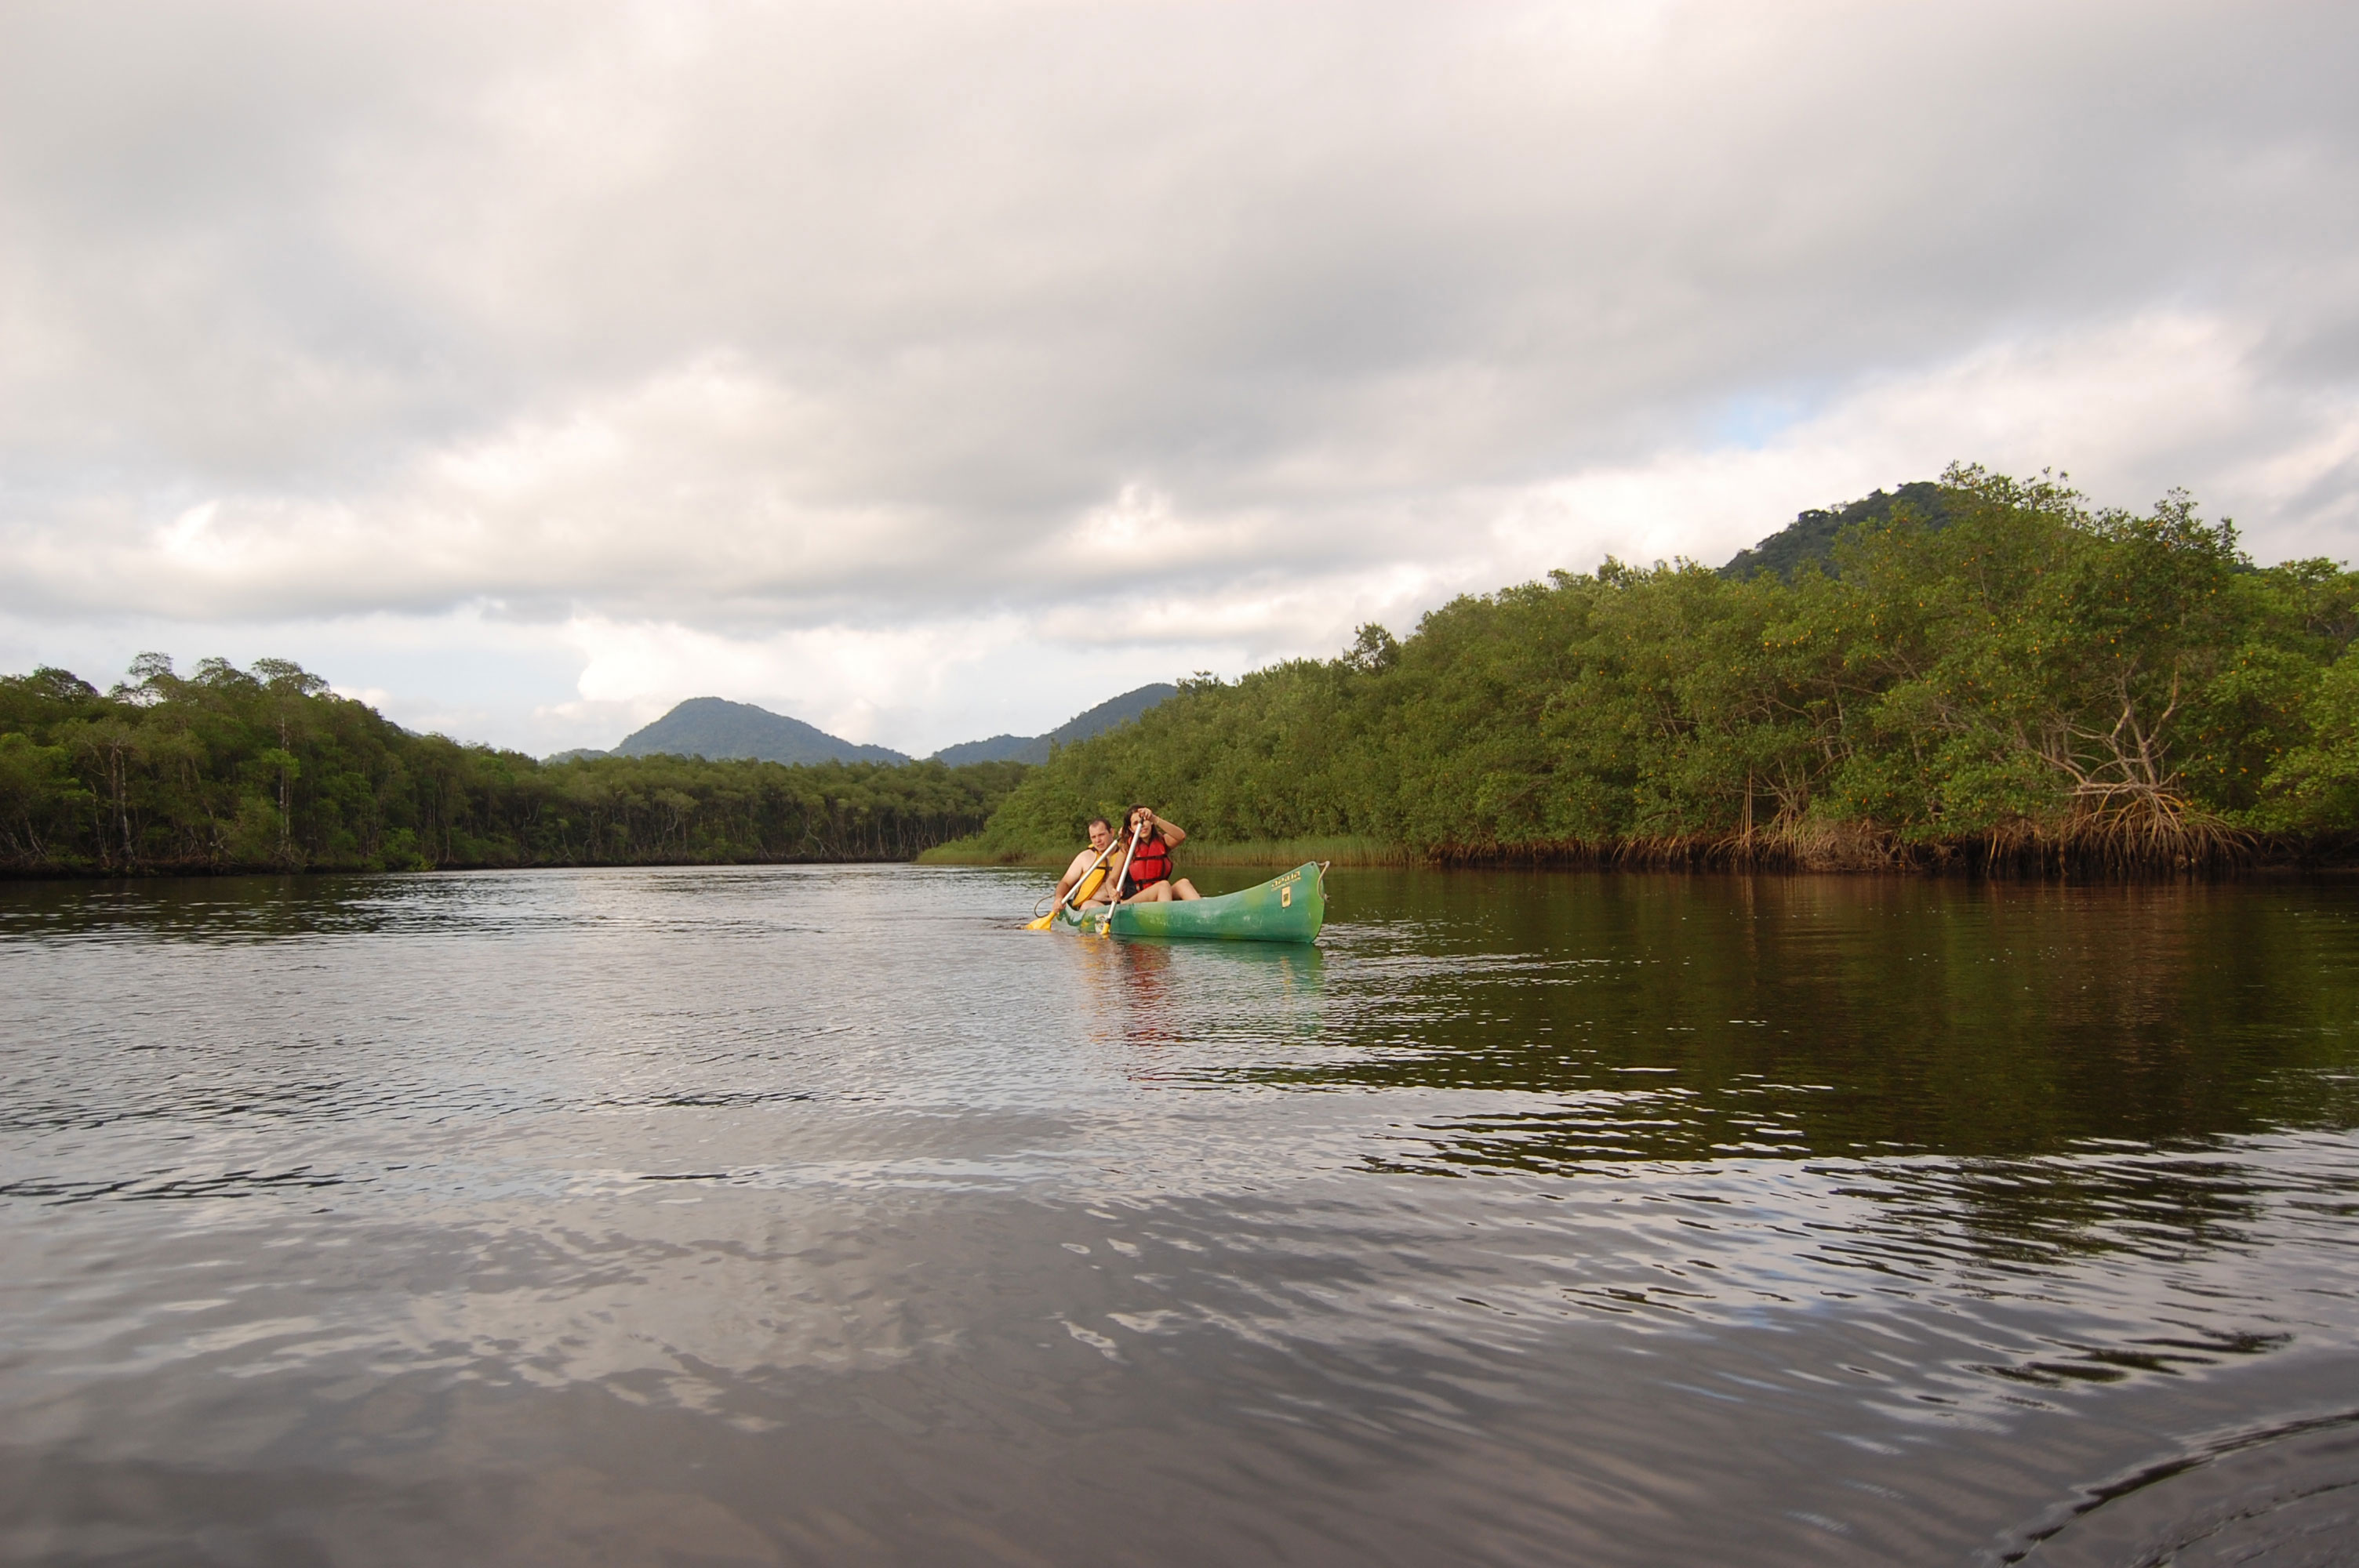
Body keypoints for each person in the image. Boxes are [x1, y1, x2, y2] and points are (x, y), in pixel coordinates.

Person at [1117, 805, 1201, 902]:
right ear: (1131, 829)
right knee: (1164, 885)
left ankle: (1204, 914)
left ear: (1151, 822)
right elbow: (1112, 880)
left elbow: (1181, 836)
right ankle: (1165, 917)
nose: (1142, 825)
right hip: (1135, 898)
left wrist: (1154, 818)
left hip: (1160, 893)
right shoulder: (1127, 848)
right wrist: (1112, 890)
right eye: (1136, 823)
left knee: (1184, 883)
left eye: (1145, 820)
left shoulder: (1162, 842)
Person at [1053, 817, 1121, 909]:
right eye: (1094, 837)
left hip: (1119, 904)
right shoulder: (1085, 857)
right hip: (1091, 905)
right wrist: (1059, 898)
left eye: (1101, 835)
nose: (1097, 840)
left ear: (1112, 832)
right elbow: (1065, 883)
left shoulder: (1126, 855)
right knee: (1092, 906)